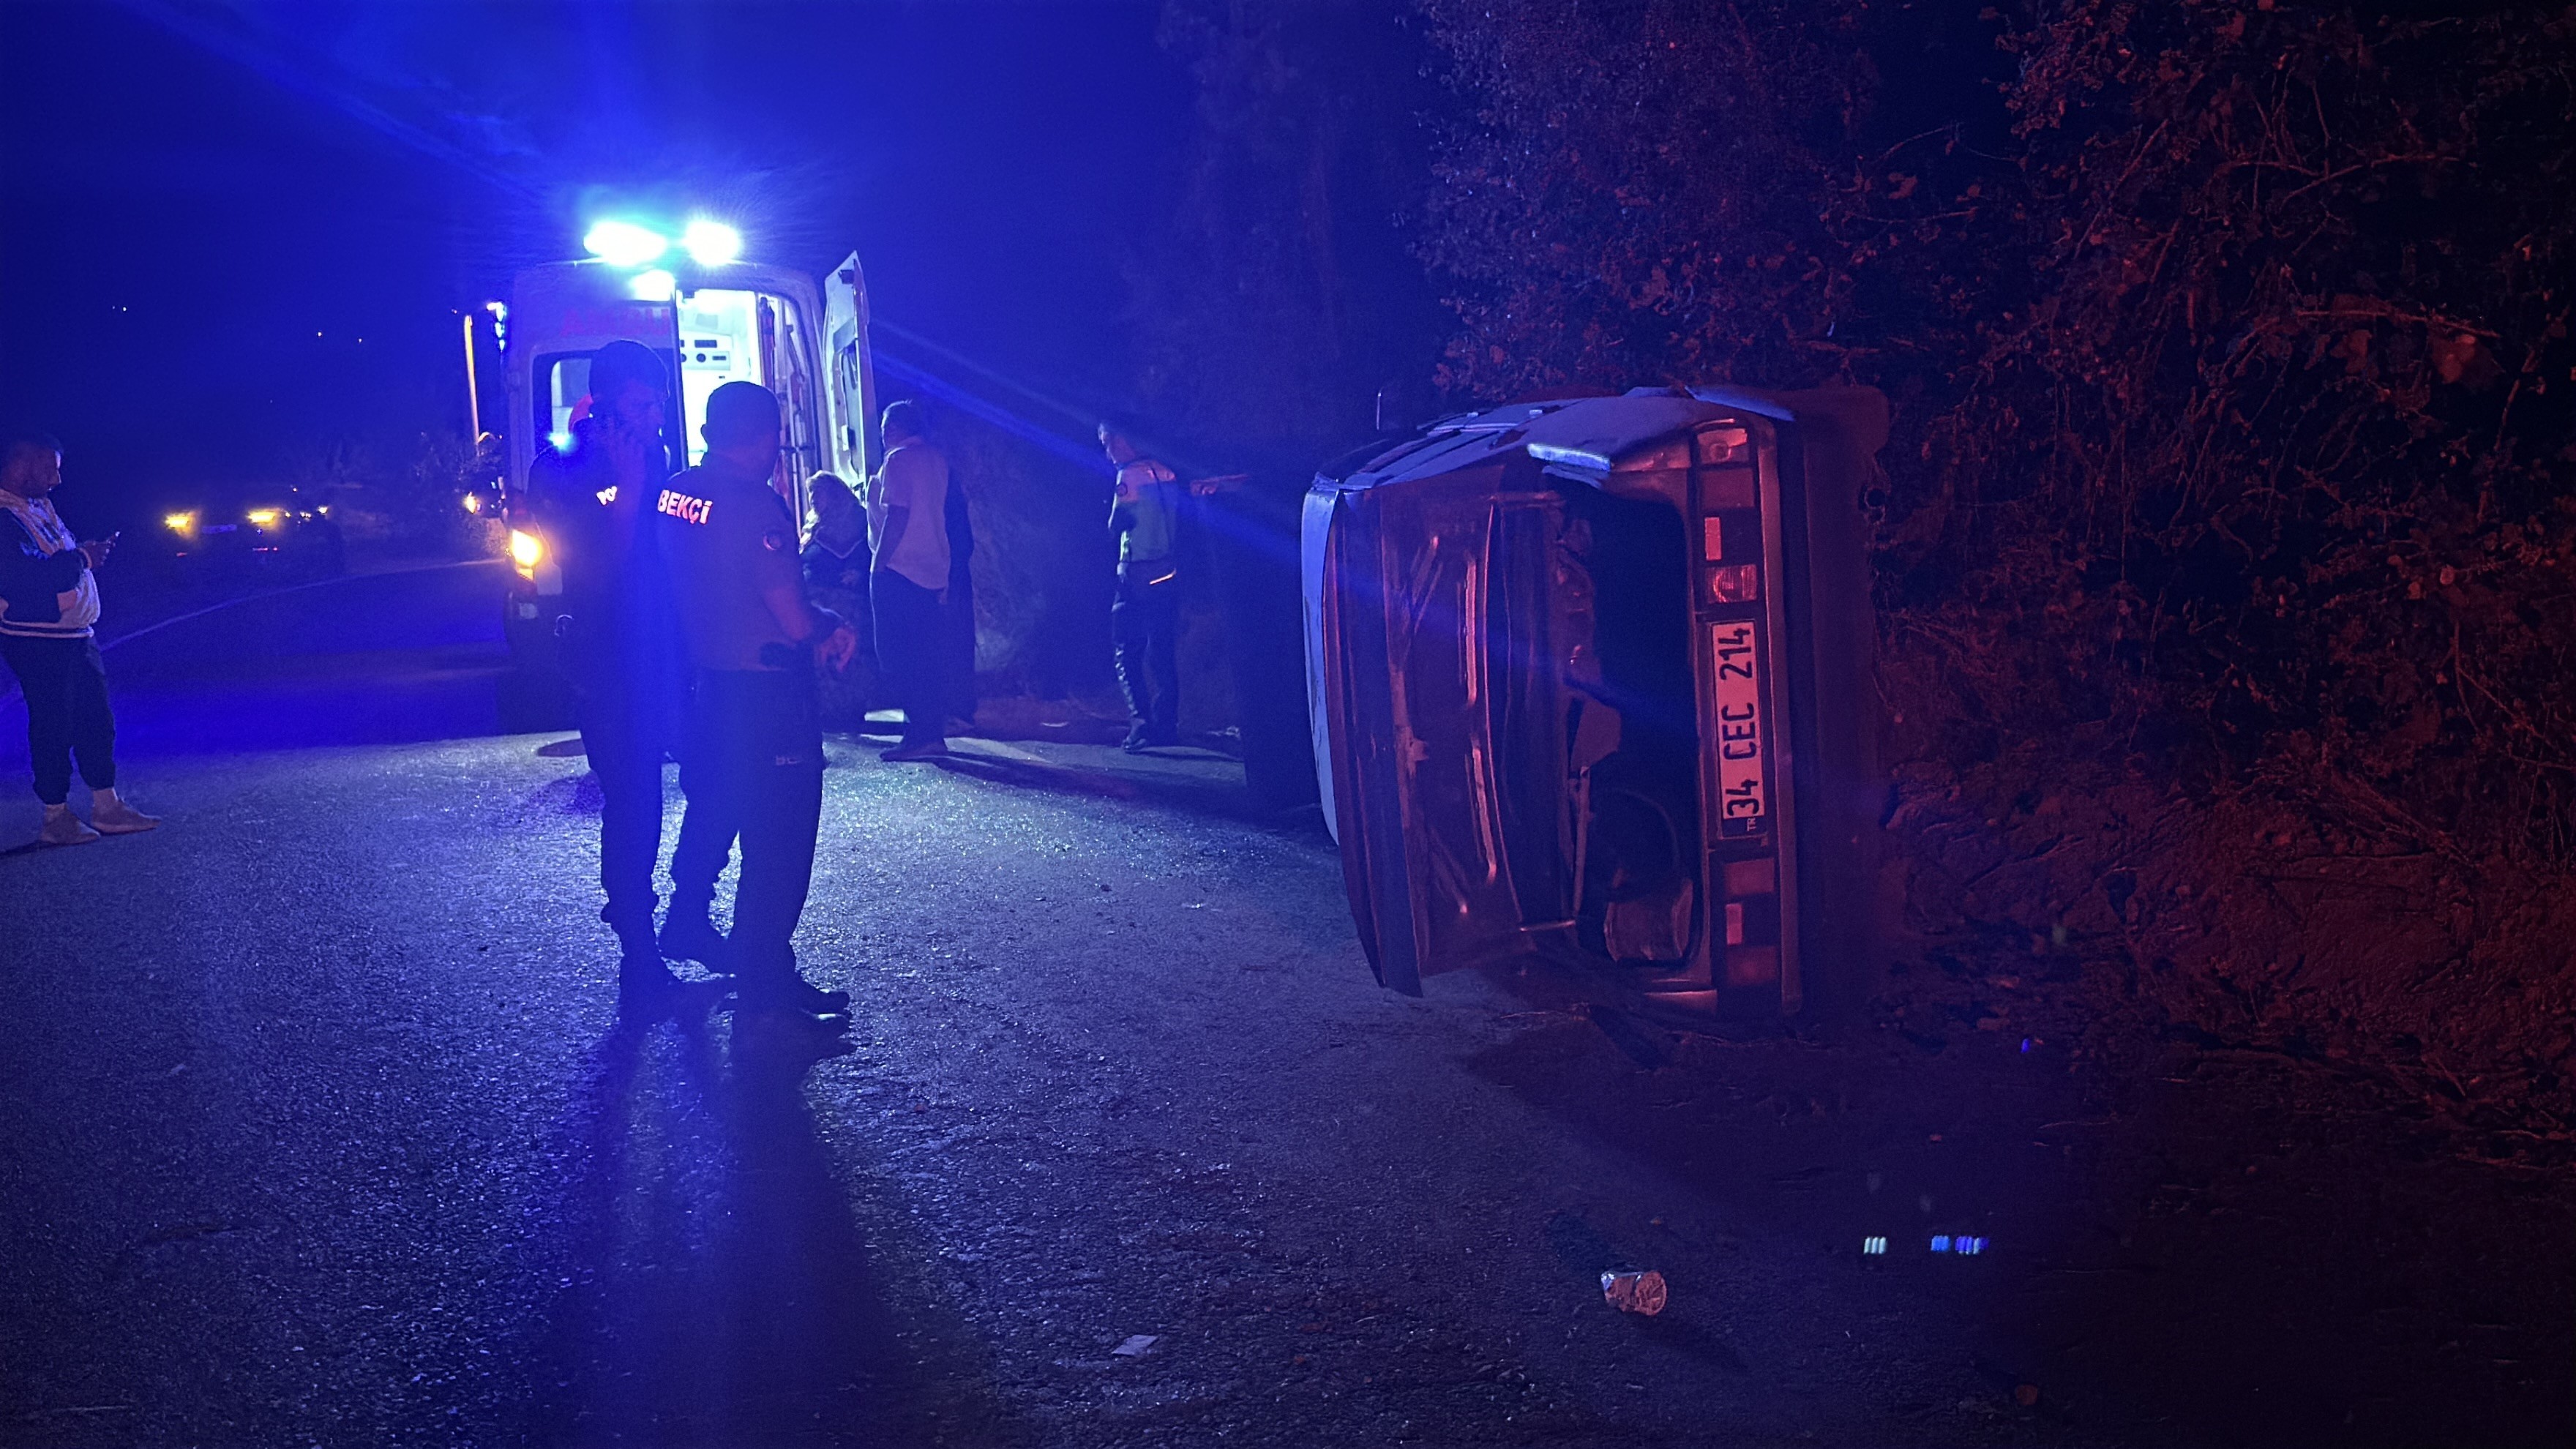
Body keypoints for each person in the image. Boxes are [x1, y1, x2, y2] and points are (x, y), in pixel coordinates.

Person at [655, 381, 859, 1022]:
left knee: (717, 804)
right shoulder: (758, 508)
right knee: (779, 842)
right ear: (766, 437)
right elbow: (794, 620)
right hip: (767, 693)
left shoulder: (676, 493)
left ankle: (688, 918)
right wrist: (832, 622)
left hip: (704, 684)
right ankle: (767, 979)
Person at [525, 340, 695, 995]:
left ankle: (684, 917)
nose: (655, 415)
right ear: (604, 403)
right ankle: (639, 946)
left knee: (715, 776)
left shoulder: (658, 455)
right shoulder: (559, 471)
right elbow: (595, 572)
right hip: (607, 655)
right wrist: (625, 495)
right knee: (635, 801)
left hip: (670, 648)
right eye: (641, 402)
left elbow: (672, 548)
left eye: (658, 402)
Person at [0, 430, 156, 845]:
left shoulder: (38, 507)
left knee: (95, 720)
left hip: (74, 634)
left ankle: (107, 805)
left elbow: (52, 560)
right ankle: (56, 816)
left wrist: (82, 557)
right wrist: (83, 557)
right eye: (48, 468)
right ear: (19, 464)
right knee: (53, 724)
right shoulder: (2, 516)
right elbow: (23, 577)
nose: (56, 480)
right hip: (35, 637)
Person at [863, 400, 951, 762]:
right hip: (932, 569)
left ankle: (918, 736)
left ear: (894, 428)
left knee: (900, 657)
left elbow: (897, 516)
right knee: (927, 655)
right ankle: (931, 732)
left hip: (900, 570)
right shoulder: (936, 459)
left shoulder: (898, 460)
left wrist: (878, 564)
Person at [1100, 422, 1182, 752]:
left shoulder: (1128, 478)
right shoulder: (1167, 473)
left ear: (1123, 440)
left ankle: (1140, 723)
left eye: (1107, 442)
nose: (1106, 451)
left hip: (1135, 574)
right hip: (1168, 570)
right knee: (1162, 651)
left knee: (1127, 649)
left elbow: (1116, 526)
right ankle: (1168, 726)